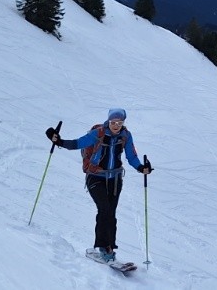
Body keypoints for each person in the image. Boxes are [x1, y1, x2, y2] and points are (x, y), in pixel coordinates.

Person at [46, 108, 152, 264]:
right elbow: (78, 143)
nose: (116, 125)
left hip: (115, 179)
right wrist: (59, 141)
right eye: (113, 122)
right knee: (105, 209)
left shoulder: (126, 136)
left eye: (119, 122)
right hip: (95, 177)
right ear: (109, 121)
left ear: (123, 123)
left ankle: (109, 248)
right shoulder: (98, 133)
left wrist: (141, 168)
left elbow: (131, 156)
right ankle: (104, 249)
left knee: (111, 213)